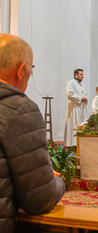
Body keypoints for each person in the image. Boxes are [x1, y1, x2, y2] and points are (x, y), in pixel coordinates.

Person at [0, 33, 65, 233]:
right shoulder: (19, 110)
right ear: (21, 71)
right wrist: (56, 180)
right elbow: (40, 199)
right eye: (31, 70)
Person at [64, 68, 88, 147]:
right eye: (81, 75)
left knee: (82, 123)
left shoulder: (81, 84)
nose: (82, 76)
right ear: (76, 75)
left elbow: (84, 94)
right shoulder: (71, 83)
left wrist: (85, 98)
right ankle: (73, 143)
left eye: (83, 74)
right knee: (74, 123)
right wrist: (80, 98)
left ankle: (81, 143)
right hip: (74, 107)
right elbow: (69, 95)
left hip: (82, 107)